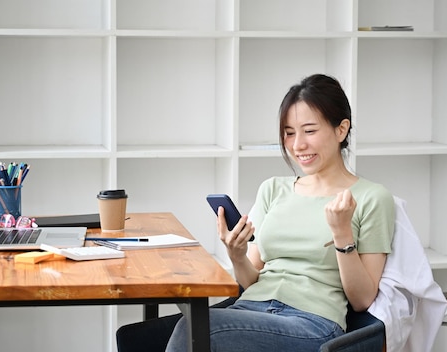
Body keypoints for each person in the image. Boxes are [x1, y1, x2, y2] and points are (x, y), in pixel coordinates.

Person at [118, 73, 396, 352]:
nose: (297, 144)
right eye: (289, 133)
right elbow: (250, 279)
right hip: (251, 308)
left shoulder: (371, 198)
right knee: (140, 339)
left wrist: (341, 233)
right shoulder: (273, 189)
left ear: (341, 129)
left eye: (309, 131)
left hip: (313, 324)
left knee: (196, 329)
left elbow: (362, 300)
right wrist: (236, 255)